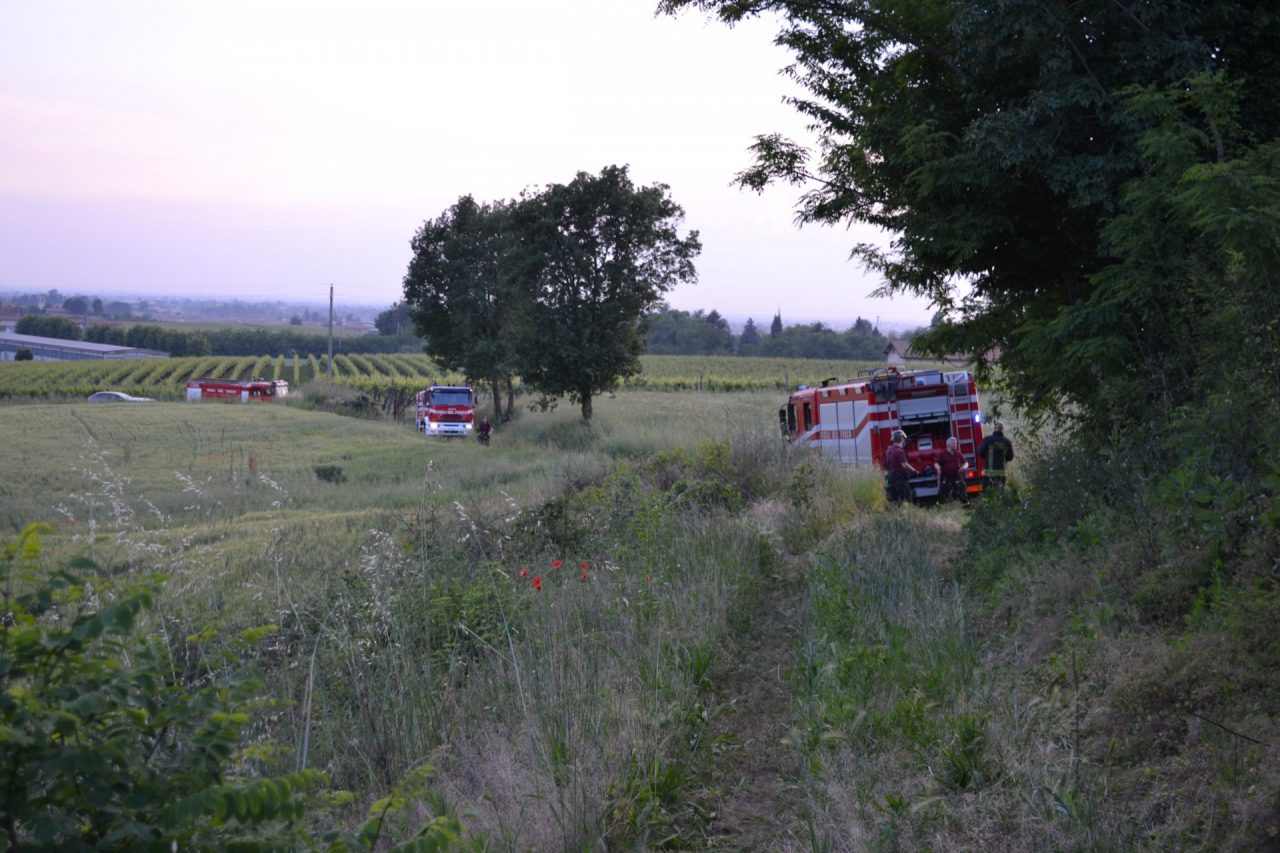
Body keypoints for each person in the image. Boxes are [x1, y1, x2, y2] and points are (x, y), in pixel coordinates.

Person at [977, 421, 1014, 488]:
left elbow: (980, 452)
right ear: (1002, 429)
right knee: (1000, 494)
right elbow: (1010, 457)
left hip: (989, 473)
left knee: (988, 494)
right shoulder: (1007, 442)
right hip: (1001, 472)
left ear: (994, 429)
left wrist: (986, 457)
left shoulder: (987, 440)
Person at [884, 429, 917, 503]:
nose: (905, 441)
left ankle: (896, 514)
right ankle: (906, 513)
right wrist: (913, 470)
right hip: (900, 479)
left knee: (895, 500)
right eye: (904, 439)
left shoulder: (890, 450)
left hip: (891, 478)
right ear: (901, 439)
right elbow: (904, 465)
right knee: (906, 498)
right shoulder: (899, 451)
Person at [935, 436, 970, 503]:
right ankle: (941, 504)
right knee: (943, 490)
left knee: (962, 486)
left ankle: (965, 503)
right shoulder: (942, 454)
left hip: (957, 474)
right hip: (946, 475)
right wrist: (938, 468)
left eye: (956, 443)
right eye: (953, 443)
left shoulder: (958, 453)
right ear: (948, 445)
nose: (955, 445)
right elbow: (936, 463)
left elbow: (966, 462)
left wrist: (964, 467)